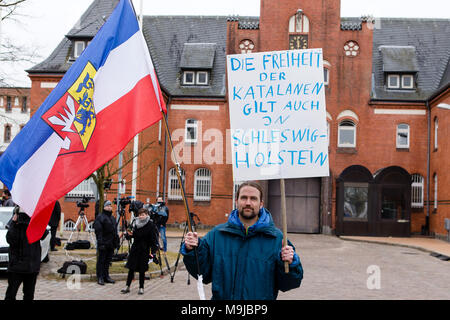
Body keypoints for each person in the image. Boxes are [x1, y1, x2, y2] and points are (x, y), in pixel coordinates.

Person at [181, 181, 303, 300]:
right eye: (244, 198)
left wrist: (290, 264)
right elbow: (203, 273)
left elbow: (288, 284)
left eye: (253, 199)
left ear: (261, 204)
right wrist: (192, 250)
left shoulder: (277, 239)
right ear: (236, 201)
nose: (248, 203)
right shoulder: (217, 235)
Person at [4, 207, 49, 300]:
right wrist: (14, 223)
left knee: (28, 295)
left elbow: (43, 234)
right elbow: (11, 240)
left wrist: (37, 219)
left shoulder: (34, 222)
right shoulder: (16, 225)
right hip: (17, 266)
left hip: (31, 266)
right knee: (11, 294)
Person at [121, 208, 159, 295]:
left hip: (144, 249)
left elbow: (153, 238)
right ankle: (127, 286)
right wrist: (128, 235)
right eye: (140, 215)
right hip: (135, 248)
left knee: (142, 270)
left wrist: (153, 251)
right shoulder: (135, 223)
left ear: (147, 215)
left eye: (143, 215)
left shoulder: (150, 224)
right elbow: (131, 235)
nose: (141, 216)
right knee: (131, 268)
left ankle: (141, 287)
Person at [93, 200, 119, 285]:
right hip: (103, 242)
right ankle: (100, 277)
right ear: (104, 207)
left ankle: (106, 276)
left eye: (110, 206)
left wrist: (116, 242)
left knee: (108, 261)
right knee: (101, 260)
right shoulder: (100, 217)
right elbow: (98, 231)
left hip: (111, 243)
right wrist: (100, 243)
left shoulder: (112, 218)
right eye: (107, 206)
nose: (109, 207)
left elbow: (115, 231)